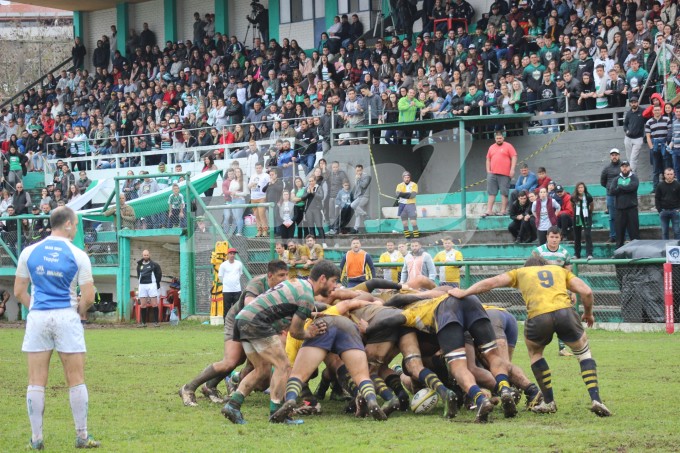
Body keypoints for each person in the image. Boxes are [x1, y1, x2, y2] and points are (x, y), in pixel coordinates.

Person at [449, 255, 612, 417]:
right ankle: (596, 400)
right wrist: (588, 313)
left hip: (538, 316)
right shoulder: (560, 270)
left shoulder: (521, 272)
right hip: (565, 312)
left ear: (528, 266)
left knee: (535, 354)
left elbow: (491, 283)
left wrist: (465, 292)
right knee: (583, 353)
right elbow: (587, 291)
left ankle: (548, 401)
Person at [14, 206, 101, 449]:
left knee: (36, 380)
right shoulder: (78, 254)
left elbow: (19, 291)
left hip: (38, 316)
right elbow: (89, 296)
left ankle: (37, 439)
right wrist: (77, 312)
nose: (75, 228)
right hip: (66, 316)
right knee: (75, 378)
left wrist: (36, 309)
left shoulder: (28, 252)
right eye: (75, 224)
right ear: (68, 224)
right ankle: (82, 436)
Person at [221, 260, 340, 425]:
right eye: (334, 281)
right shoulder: (306, 296)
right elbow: (295, 332)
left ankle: (233, 405)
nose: (335, 286)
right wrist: (310, 333)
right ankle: (277, 413)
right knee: (283, 366)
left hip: (242, 320)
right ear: (322, 278)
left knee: (262, 370)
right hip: (257, 323)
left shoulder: (297, 283)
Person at [179, 261, 290, 406]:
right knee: (231, 361)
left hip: (260, 326)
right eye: (281, 275)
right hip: (239, 320)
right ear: (270, 275)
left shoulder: (283, 289)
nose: (285, 279)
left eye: (287, 275)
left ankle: (221, 385)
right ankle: (188, 388)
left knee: (257, 370)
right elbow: (250, 306)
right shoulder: (257, 283)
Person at [483, 131, 517, 217]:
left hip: (505, 174)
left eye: (500, 138)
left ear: (503, 138)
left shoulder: (508, 146)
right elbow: (488, 159)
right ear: (495, 139)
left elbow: (514, 156)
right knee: (491, 192)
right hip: (492, 174)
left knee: (504, 193)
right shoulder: (491, 147)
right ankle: (489, 210)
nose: (499, 140)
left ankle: (503, 210)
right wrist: (488, 170)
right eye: (497, 138)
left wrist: (512, 169)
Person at [610, 160, 640, 248]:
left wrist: (620, 187)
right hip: (619, 210)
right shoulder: (616, 179)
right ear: (620, 168)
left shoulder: (634, 177)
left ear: (629, 167)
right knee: (619, 235)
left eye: (626, 166)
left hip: (632, 210)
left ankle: (637, 256)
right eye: (623, 166)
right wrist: (626, 188)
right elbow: (612, 191)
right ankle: (619, 258)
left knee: (634, 234)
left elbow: (633, 187)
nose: (625, 168)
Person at [645, 104, 671, 192]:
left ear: (661, 111)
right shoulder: (649, 122)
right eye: (655, 110)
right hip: (655, 146)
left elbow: (670, 133)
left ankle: (667, 187)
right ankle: (655, 188)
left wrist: (667, 145)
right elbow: (648, 137)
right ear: (653, 111)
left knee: (666, 167)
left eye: (658, 110)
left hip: (665, 146)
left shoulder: (667, 120)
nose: (657, 111)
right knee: (655, 169)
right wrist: (651, 147)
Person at [136, 249, 162, 327]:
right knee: (143, 304)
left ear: (149, 255)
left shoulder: (154, 265)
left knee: (154, 303)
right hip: (142, 285)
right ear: (142, 255)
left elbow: (159, 275)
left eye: (147, 255)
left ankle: (156, 322)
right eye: (144, 255)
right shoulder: (139, 265)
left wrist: (156, 283)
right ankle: (143, 323)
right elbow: (138, 275)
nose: (146, 256)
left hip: (152, 285)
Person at [600, 149, 621, 244]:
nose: (614, 156)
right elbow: (602, 182)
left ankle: (625, 236)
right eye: (612, 155)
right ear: (610, 156)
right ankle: (613, 236)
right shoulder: (606, 168)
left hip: (622, 195)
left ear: (619, 155)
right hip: (610, 195)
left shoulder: (623, 166)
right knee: (612, 217)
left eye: (616, 154)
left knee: (623, 216)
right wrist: (610, 188)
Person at [655, 168, 680, 239]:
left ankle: (678, 248)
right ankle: (665, 248)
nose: (669, 176)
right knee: (664, 232)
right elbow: (657, 198)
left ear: (674, 175)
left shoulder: (678, 185)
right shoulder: (660, 185)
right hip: (663, 211)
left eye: (671, 174)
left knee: (677, 231)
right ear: (664, 175)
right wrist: (659, 210)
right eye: (668, 174)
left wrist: (678, 209)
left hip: (675, 211)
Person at [572, 182, 595, 259]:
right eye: (579, 188)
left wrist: (589, 213)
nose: (580, 189)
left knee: (587, 234)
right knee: (577, 235)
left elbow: (591, 206)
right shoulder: (573, 197)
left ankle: (589, 253)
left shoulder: (588, 196)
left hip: (586, 217)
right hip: (577, 217)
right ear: (577, 189)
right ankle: (577, 254)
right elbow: (572, 206)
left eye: (582, 187)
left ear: (584, 188)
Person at [218, 248, 243, 317]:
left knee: (238, 308)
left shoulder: (239, 264)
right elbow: (220, 276)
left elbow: (240, 274)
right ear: (228, 255)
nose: (232, 255)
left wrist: (235, 282)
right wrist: (227, 284)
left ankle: (236, 325)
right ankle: (226, 324)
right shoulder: (223, 265)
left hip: (237, 290)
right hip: (227, 290)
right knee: (227, 308)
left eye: (233, 254)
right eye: (231, 254)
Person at [248, 162, 271, 237]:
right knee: (256, 215)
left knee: (262, 215)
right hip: (253, 197)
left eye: (259, 168)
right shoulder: (253, 175)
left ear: (262, 168)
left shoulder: (266, 175)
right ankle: (259, 230)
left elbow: (269, 184)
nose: (258, 169)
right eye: (257, 168)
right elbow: (248, 186)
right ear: (255, 168)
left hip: (262, 197)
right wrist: (251, 185)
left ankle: (265, 230)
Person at [623, 96, 645, 173]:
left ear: (637, 103)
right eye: (632, 103)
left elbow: (648, 121)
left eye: (635, 102)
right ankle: (634, 174)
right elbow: (625, 124)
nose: (633, 104)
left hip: (638, 138)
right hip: (628, 138)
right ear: (630, 104)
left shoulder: (643, 111)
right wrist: (626, 131)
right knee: (629, 158)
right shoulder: (628, 113)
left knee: (633, 158)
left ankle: (631, 174)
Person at [395, 171, 419, 239]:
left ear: (410, 178)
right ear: (403, 178)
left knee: (413, 222)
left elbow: (413, 195)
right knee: (404, 223)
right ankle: (408, 239)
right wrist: (408, 194)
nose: (407, 179)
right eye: (405, 177)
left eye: (408, 177)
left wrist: (402, 194)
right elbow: (397, 194)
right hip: (402, 205)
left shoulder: (414, 185)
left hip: (411, 205)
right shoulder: (399, 185)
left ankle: (416, 238)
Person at [350, 164, 371, 234]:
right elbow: (357, 188)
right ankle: (355, 228)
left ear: (362, 170)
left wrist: (358, 179)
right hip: (358, 197)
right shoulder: (357, 177)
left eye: (359, 170)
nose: (358, 172)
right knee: (357, 213)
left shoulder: (366, 176)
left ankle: (365, 214)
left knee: (353, 205)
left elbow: (363, 185)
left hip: (364, 196)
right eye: (357, 171)